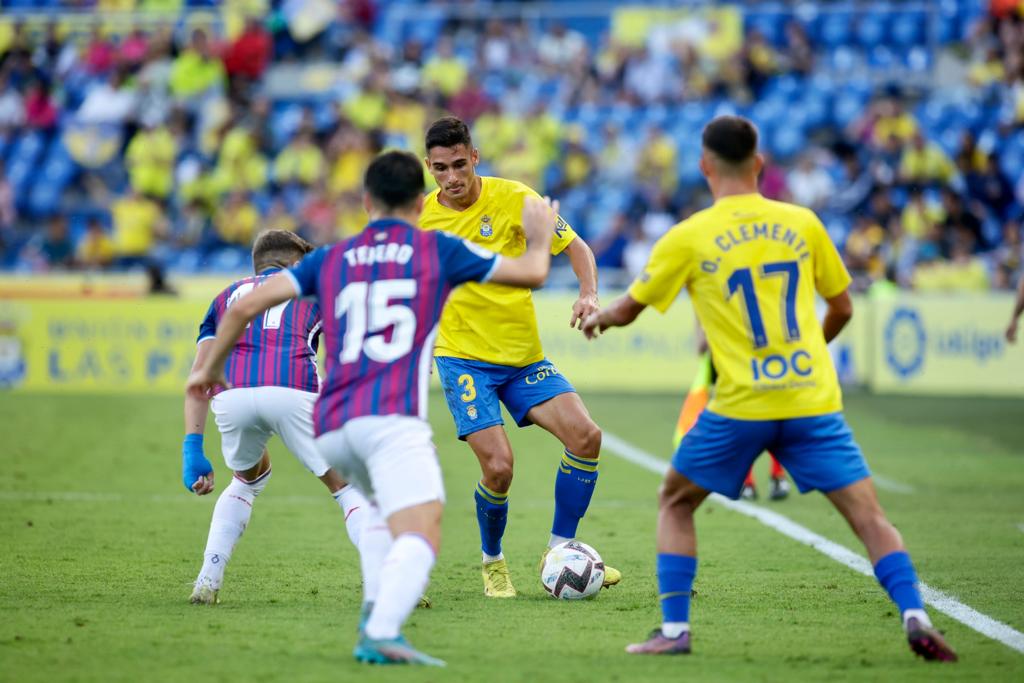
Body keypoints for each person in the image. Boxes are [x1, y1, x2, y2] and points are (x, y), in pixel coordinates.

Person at [581, 116, 956, 662]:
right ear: (759, 163)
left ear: (704, 166)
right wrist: (808, 356)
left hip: (741, 404)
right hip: (811, 399)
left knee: (675, 501)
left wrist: (598, 317)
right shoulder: (802, 223)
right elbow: (843, 306)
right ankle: (915, 614)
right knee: (870, 517)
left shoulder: (689, 236)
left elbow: (629, 309)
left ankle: (675, 629)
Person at [185, 151, 559, 666]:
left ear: (366, 202)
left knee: (377, 510)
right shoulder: (437, 249)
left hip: (334, 419)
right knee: (422, 530)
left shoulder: (331, 258)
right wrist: (537, 236)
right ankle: (380, 631)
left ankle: (373, 621)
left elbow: (247, 305)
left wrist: (208, 369)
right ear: (419, 203)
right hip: (391, 417)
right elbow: (533, 272)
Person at [419, 116, 621, 597]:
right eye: (441, 168)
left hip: (523, 359)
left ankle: (559, 552)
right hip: (462, 359)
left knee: (586, 437)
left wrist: (589, 293)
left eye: (460, 164)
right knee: (499, 468)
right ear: (429, 167)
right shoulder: (420, 219)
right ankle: (493, 562)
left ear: (475, 157)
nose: (452, 177)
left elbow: (577, 248)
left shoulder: (516, 198)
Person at [182, 230, 383, 606]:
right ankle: (386, 583)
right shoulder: (314, 289)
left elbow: (199, 375)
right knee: (347, 487)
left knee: (246, 480)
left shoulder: (226, 296)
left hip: (232, 394)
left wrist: (192, 447)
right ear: (294, 264)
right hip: (294, 388)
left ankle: (207, 580)